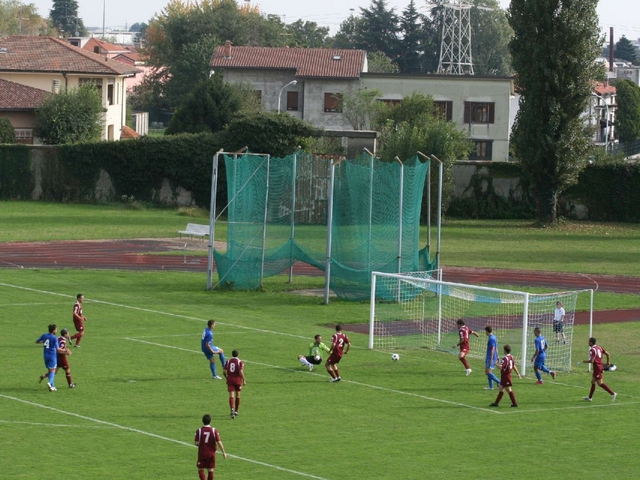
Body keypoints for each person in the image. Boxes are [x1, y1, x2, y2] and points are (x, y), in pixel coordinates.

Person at [583, 337, 617, 403]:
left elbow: (592, 361)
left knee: (600, 383)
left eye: (589, 341)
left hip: (597, 368)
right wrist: (608, 362)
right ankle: (589, 397)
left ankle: (613, 394)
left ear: (591, 342)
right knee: (593, 381)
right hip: (599, 367)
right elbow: (608, 354)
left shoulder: (592, 350)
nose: (588, 342)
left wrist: (585, 361)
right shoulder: (599, 347)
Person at [194, 414, 227, 480]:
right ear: (210, 421)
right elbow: (219, 441)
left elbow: (196, 443)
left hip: (202, 453)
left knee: (200, 469)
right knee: (211, 470)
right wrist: (224, 452)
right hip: (211, 454)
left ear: (202, 421)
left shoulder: (199, 431)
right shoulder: (214, 430)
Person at [36, 324, 64, 392]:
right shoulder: (55, 338)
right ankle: (49, 383)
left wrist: (44, 341)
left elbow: (37, 341)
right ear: (53, 330)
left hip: (45, 355)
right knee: (53, 371)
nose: (57, 330)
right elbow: (58, 349)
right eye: (56, 329)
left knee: (50, 371)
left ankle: (53, 386)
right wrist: (65, 350)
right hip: (52, 356)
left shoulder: (44, 335)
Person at [223, 349, 246, 419]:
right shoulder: (240, 362)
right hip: (238, 380)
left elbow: (224, 371)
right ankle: (236, 411)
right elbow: (241, 371)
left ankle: (232, 409)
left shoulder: (228, 361)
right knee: (238, 395)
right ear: (238, 355)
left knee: (231, 395)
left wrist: (226, 376)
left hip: (230, 380)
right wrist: (244, 380)